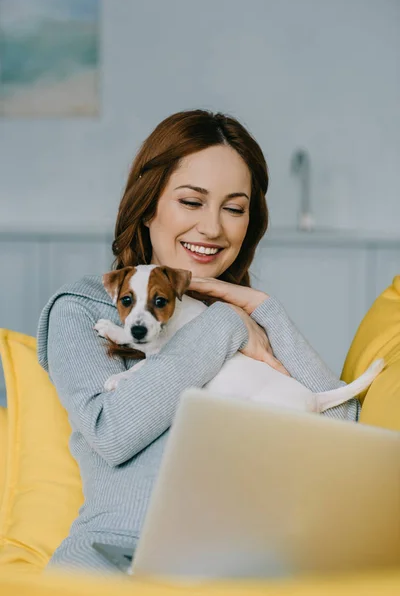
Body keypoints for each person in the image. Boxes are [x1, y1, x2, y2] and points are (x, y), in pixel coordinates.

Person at [37, 109, 359, 573]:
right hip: (113, 559)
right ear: (148, 207)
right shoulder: (83, 308)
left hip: (235, 565)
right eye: (192, 202)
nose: (212, 228)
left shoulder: (251, 323)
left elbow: (343, 432)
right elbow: (111, 433)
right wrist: (224, 326)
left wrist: (266, 310)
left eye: (234, 208)